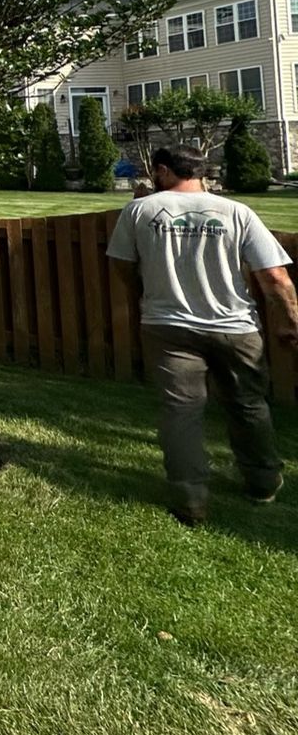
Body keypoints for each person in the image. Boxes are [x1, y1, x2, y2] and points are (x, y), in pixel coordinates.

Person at [107, 143, 295, 526]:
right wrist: (290, 319)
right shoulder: (236, 212)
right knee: (248, 404)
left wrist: (143, 290)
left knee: (181, 411)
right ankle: (263, 482)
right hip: (235, 327)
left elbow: (121, 263)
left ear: (163, 170)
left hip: (168, 326)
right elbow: (275, 276)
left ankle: (190, 499)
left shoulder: (140, 211)